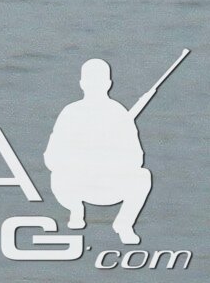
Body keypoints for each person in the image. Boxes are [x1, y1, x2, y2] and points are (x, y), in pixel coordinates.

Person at [46, 58, 154, 245]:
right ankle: (76, 209)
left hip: (109, 186)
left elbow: (136, 159)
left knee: (143, 176)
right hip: (76, 185)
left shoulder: (118, 114)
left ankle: (124, 224)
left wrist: (109, 157)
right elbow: (52, 158)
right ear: (108, 84)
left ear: (82, 84)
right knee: (57, 175)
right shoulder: (71, 113)